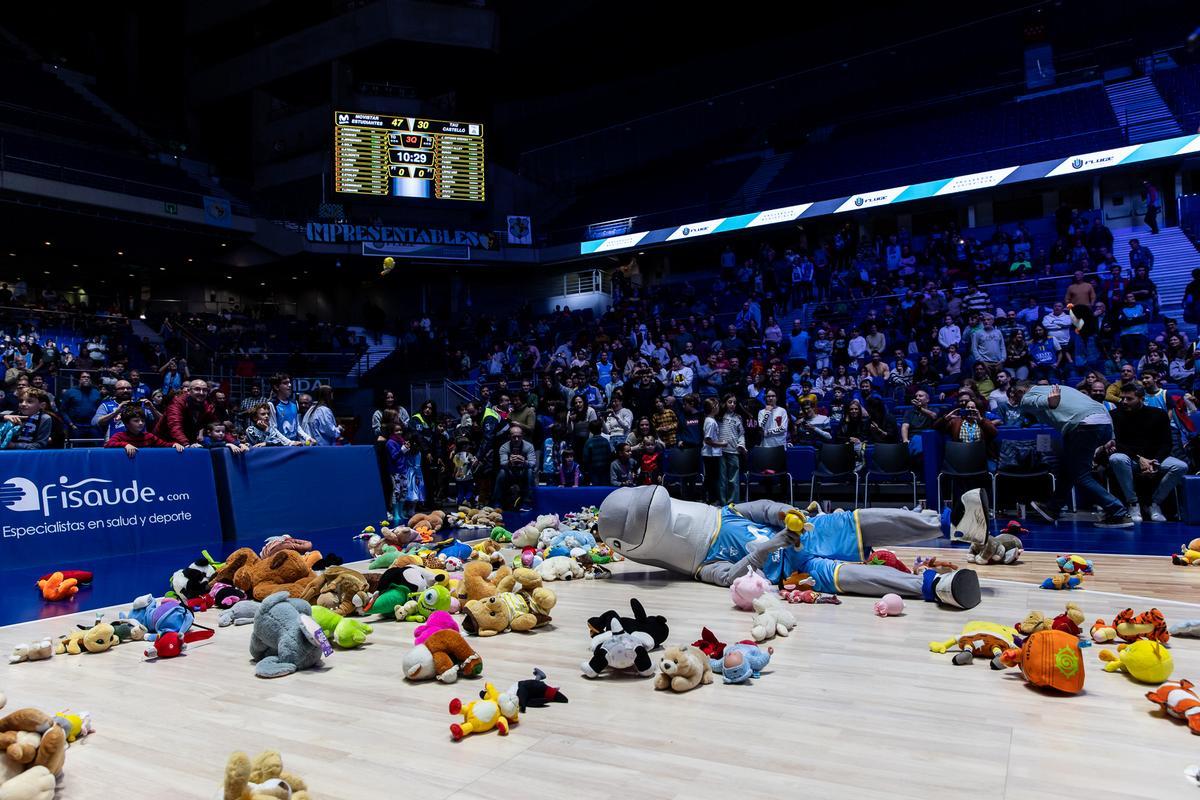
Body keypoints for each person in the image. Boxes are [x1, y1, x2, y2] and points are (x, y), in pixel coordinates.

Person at [597, 484, 984, 609]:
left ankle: (952, 525)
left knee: (856, 520)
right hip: (794, 573)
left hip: (809, 533)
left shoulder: (725, 512)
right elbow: (732, 576)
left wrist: (784, 514)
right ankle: (936, 587)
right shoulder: (701, 566)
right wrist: (773, 546)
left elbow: (762, 507)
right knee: (847, 577)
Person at [1008, 381, 1132, 527]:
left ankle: (1118, 512)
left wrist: (1050, 402)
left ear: (1021, 391)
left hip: (1082, 426)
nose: (1012, 400)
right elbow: (1099, 406)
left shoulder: (1028, 397)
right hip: (1101, 423)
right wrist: (1110, 436)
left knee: (1081, 475)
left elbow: (1043, 402)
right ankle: (1052, 508)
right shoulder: (1063, 387)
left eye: (1013, 395)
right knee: (1067, 470)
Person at [1105, 383, 1186, 522]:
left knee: (1181, 466)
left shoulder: (1159, 414)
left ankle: (1154, 503)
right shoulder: (1115, 415)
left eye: (1129, 399)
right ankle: (1133, 503)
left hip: (1154, 459)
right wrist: (1140, 458)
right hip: (1131, 458)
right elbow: (1117, 444)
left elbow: (1167, 444)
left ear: (1142, 399)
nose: (1124, 402)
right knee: (1116, 458)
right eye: (1122, 398)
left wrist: (1155, 461)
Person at [105, 405, 186, 456]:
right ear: (126, 423)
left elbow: (164, 444)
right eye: (136, 421)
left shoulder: (149, 436)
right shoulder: (119, 436)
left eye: (143, 420)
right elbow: (108, 444)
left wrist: (174, 444)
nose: (141, 423)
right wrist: (125, 445)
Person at [93, 379, 159, 441]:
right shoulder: (106, 406)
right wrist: (115, 412)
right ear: (114, 391)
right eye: (121, 388)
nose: (125, 390)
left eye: (128, 388)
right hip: (115, 444)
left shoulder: (141, 405)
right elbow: (95, 423)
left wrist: (152, 408)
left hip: (140, 443)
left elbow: (162, 421)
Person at [160, 379, 219, 446]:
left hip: (188, 443)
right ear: (188, 391)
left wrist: (230, 442)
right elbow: (175, 426)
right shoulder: (177, 403)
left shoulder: (206, 406)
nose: (201, 393)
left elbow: (217, 425)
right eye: (197, 389)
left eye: (205, 390)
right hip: (166, 443)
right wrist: (186, 444)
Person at [386, 423, 424, 523]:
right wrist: (403, 450)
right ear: (392, 432)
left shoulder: (402, 441)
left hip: (403, 470)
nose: (399, 432)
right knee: (396, 491)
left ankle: (401, 512)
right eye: (396, 430)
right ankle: (396, 512)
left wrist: (406, 448)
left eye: (400, 430)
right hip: (395, 471)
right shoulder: (390, 442)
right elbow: (394, 457)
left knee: (404, 491)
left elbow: (406, 456)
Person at [713, 393, 746, 505]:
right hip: (720, 452)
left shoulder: (737, 418)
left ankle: (733, 504)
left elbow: (741, 434)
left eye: (734, 402)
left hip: (734, 451)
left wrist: (741, 445)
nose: (732, 404)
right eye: (730, 402)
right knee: (722, 480)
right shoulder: (718, 417)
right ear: (724, 403)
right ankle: (723, 503)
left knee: (733, 480)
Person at [496, 424, 536, 511]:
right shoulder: (504, 447)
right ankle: (497, 502)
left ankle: (527, 503)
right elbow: (502, 463)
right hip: (510, 472)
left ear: (522, 436)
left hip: (523, 472)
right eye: (514, 437)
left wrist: (524, 462)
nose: (516, 439)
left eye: (519, 437)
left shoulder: (529, 446)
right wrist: (509, 462)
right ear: (509, 436)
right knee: (502, 472)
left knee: (530, 471)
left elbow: (533, 463)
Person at [59, 371, 101, 440]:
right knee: (76, 449)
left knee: (95, 449)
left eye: (88, 377)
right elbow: (63, 410)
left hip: (93, 427)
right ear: (79, 379)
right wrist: (71, 424)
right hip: (76, 427)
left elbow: (100, 410)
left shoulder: (96, 393)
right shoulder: (70, 392)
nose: (86, 379)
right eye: (83, 377)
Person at [267, 373, 306, 443]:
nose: (290, 385)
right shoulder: (272, 404)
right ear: (276, 387)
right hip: (280, 447)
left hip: (295, 445)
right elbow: (273, 429)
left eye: (289, 382)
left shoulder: (294, 403)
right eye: (285, 383)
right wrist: (289, 442)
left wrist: (307, 437)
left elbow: (297, 426)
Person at [580, 419, 613, 486]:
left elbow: (585, 458)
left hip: (593, 470)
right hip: (605, 469)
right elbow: (610, 455)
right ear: (601, 429)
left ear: (590, 430)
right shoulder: (605, 441)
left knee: (595, 487)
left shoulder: (589, 442)